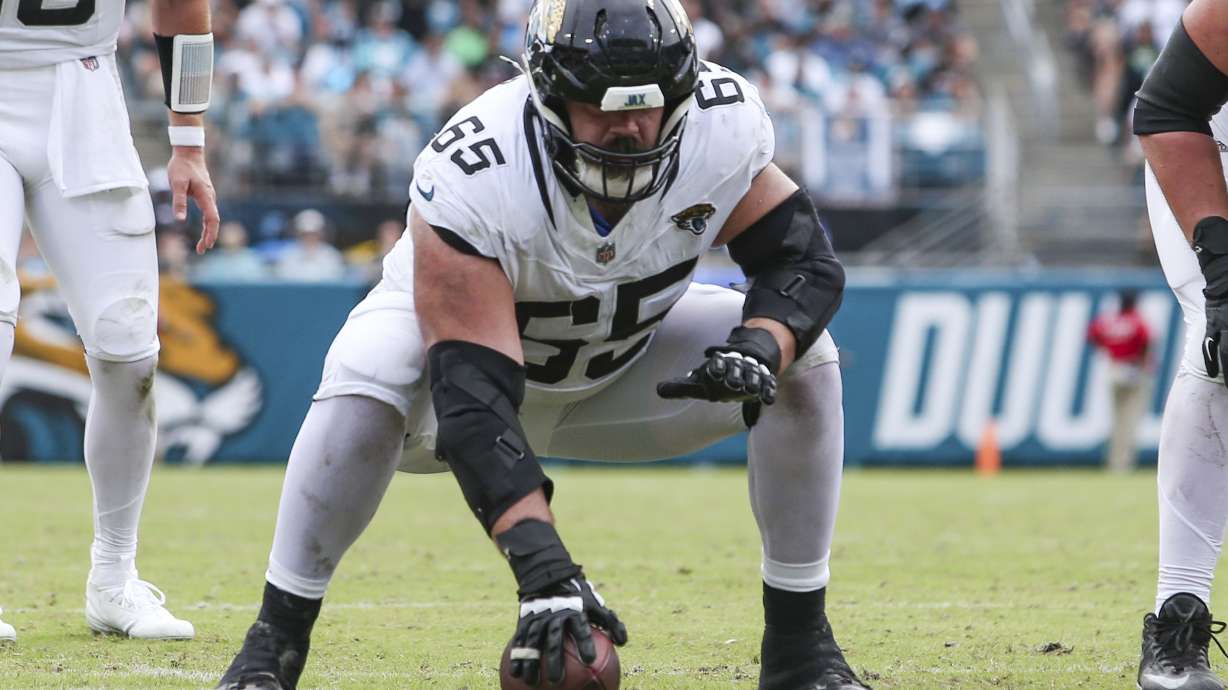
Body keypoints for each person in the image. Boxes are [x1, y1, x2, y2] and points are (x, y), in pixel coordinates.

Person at [217, 0, 865, 688]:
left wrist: (760, 347)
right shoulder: (478, 170)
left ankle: (801, 650)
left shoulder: (720, 126)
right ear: (550, 97)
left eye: (649, 107)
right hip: (446, 402)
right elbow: (471, 396)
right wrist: (542, 567)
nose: (630, 130)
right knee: (372, 365)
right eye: (601, 107)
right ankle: (272, 647)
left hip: (624, 371)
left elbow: (803, 264)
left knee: (807, 360)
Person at [0, 0, 220, 641]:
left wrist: (188, 140)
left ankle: (114, 578)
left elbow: (181, 5)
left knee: (130, 348)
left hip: (84, 89)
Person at [1134, 0, 1228, 686]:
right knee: (1220, 336)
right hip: (1208, 145)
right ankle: (1178, 617)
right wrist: (1221, 267)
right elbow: (1166, 109)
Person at [1086, 289, 1152, 473]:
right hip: (1134, 369)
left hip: (1114, 368)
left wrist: (1107, 352)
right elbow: (1146, 342)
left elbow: (1092, 335)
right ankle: (1125, 462)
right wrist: (1143, 365)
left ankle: (1113, 461)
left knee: (1115, 419)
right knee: (1130, 418)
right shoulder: (1137, 320)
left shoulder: (1109, 320)